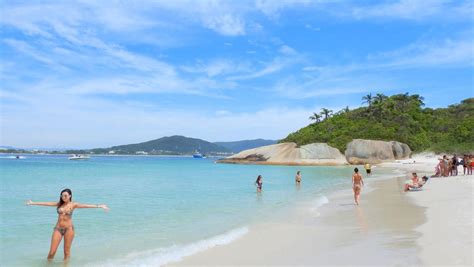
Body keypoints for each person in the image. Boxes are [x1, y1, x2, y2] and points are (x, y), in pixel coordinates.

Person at [26, 188, 109, 262]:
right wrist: (33, 203)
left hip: (69, 230)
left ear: (70, 196)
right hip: (58, 229)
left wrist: (100, 206)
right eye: (62, 196)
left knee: (66, 252)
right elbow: (47, 203)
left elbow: (86, 205)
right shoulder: (59, 204)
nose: (63, 197)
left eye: (65, 196)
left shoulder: (73, 204)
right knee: (51, 253)